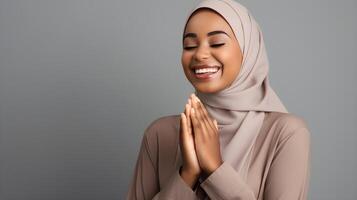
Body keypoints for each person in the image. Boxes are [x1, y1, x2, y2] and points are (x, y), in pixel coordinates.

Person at [126, 0, 311, 199]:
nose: (200, 54)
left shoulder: (286, 134)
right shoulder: (159, 135)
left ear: (248, 49)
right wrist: (187, 175)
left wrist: (215, 169)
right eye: (189, 46)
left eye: (217, 43)